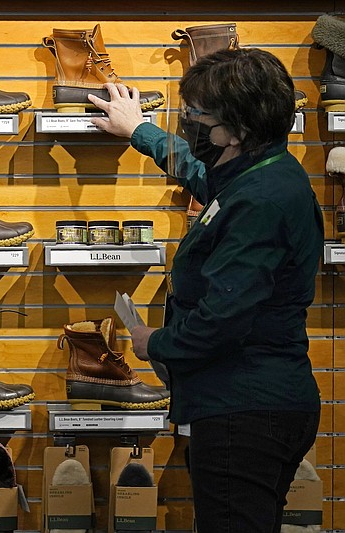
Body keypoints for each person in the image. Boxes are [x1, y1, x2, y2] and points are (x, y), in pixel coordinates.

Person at [89, 48, 323, 533]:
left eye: (197, 116)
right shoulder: (261, 172)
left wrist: (155, 343)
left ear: (236, 130)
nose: (190, 124)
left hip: (246, 410)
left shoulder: (261, 202)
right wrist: (140, 131)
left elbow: (224, 317)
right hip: (253, 401)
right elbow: (204, 175)